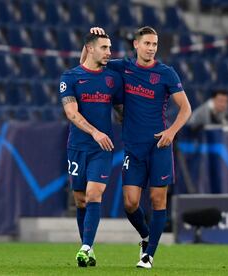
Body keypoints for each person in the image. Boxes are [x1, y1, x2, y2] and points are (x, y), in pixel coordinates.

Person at [85, 26, 192, 269]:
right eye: (147, 43)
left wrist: (172, 132)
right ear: (136, 45)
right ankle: (146, 237)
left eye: (155, 44)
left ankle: (149, 256)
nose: (152, 48)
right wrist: (90, 40)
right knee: (130, 203)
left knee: (157, 199)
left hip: (159, 146)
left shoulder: (167, 73)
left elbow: (186, 108)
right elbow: (89, 63)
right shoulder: (122, 67)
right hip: (133, 148)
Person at [59, 32, 123, 267]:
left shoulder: (112, 79)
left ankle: (85, 247)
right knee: (80, 200)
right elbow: (71, 113)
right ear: (90, 48)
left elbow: (120, 111)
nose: (109, 52)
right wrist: (94, 131)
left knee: (94, 194)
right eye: (104, 47)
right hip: (77, 147)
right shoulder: (70, 77)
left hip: (102, 148)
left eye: (110, 47)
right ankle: (88, 247)